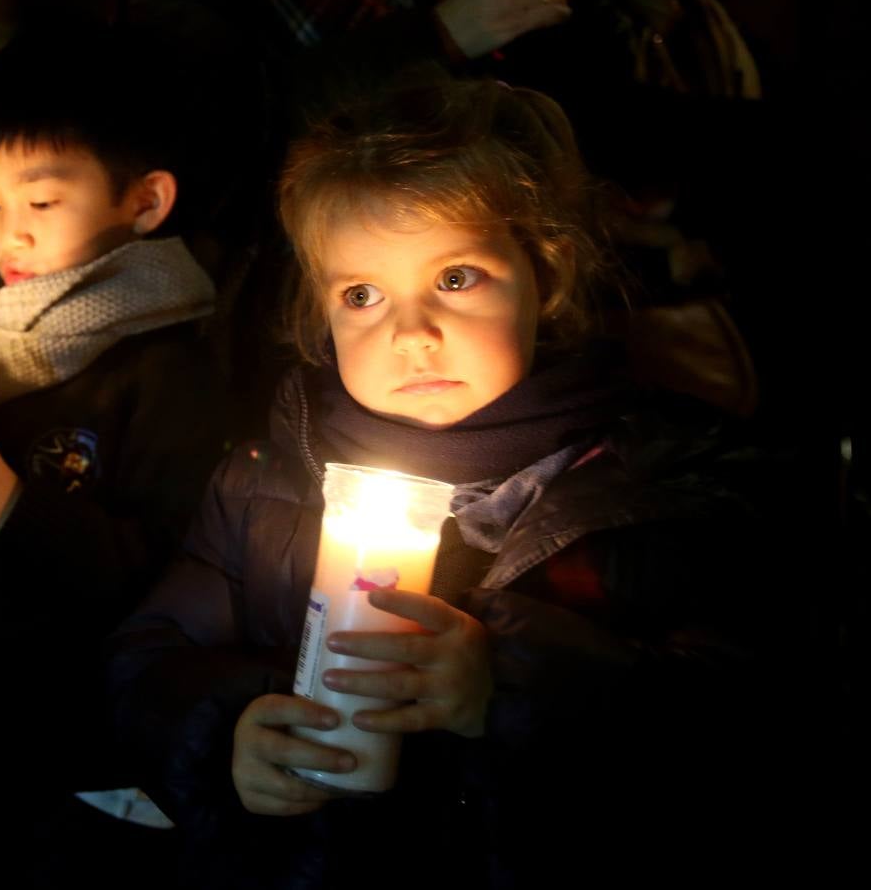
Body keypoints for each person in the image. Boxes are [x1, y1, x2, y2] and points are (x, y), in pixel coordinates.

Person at [107, 75, 798, 888]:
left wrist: (508, 686)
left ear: (546, 271)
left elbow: (752, 733)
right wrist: (227, 729)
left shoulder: (669, 488)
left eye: (455, 278)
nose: (411, 334)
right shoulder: (266, 482)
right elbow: (144, 664)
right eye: (361, 294)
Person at [0, 22, 228, 888]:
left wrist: (6, 504)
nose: (9, 237)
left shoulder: (168, 370)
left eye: (42, 201)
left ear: (144, 202)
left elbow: (166, 582)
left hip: (91, 752)